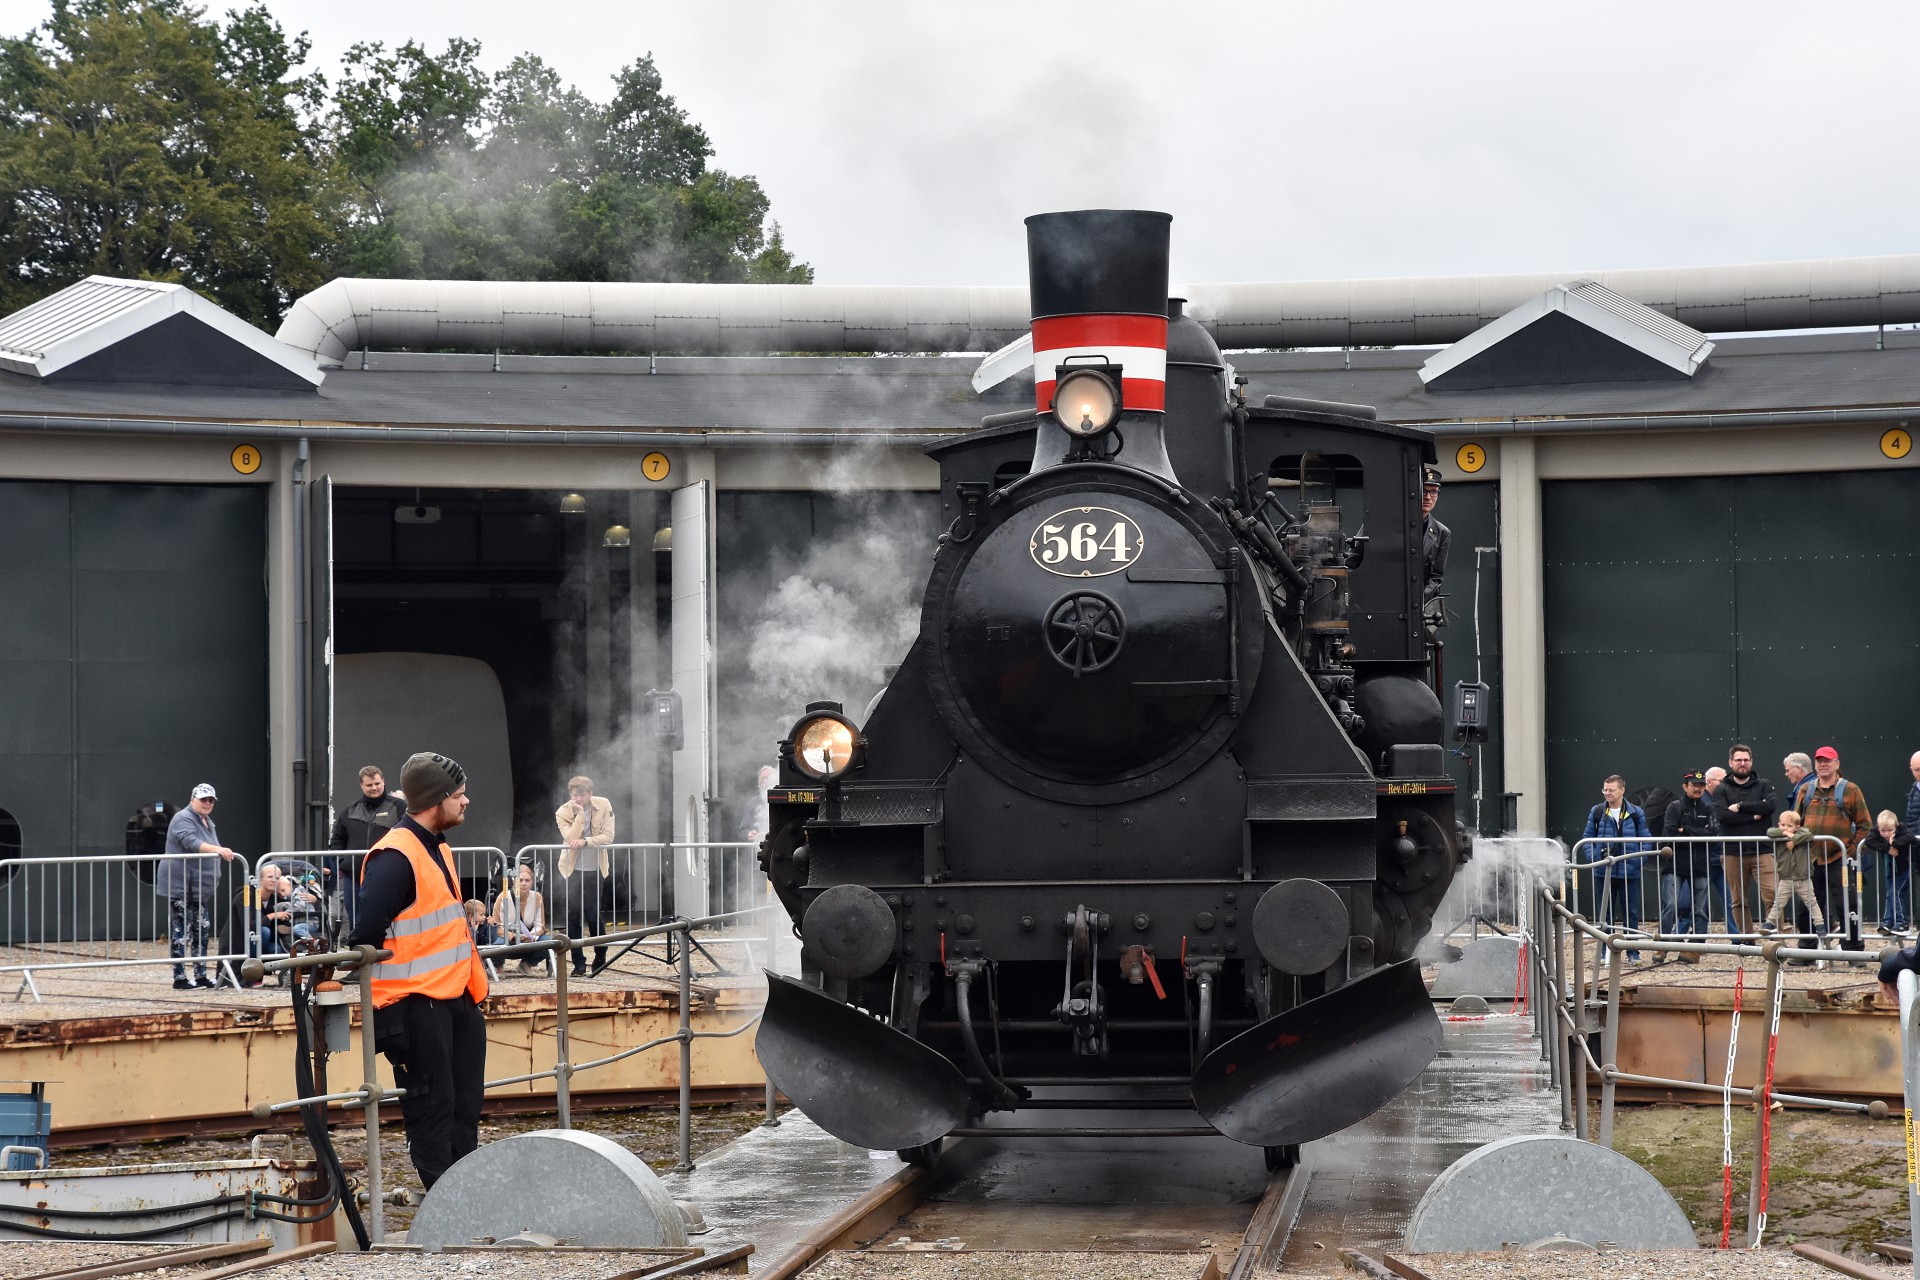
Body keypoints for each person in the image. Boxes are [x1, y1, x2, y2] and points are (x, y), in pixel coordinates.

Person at [346, 752, 489, 1192]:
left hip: (455, 997)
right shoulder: (395, 856)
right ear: (435, 799)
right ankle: (444, 1203)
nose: (466, 801)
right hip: (416, 1006)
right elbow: (365, 934)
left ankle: (465, 1198)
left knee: (464, 1106)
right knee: (433, 1110)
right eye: (459, 795)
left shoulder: (437, 846)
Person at [159, 784, 237, 990]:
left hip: (197, 888)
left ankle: (201, 975)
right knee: (181, 931)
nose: (207, 803)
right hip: (181, 885)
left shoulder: (207, 821)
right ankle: (180, 978)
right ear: (192, 799)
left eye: (211, 800)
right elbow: (190, 842)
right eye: (203, 799)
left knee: (201, 930)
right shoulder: (183, 818)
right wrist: (219, 850)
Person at [1796, 746, 1871, 946]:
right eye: (1819, 761)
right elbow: (1796, 823)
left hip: (1841, 860)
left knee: (1848, 906)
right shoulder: (1806, 790)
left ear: (1837, 764)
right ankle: (1807, 951)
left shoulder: (1851, 790)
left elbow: (1865, 826)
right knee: (1806, 907)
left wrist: (1850, 852)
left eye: (1827, 761)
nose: (1823, 764)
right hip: (1811, 859)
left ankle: (1852, 949)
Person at [1581, 775, 1653, 961]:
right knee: (1605, 914)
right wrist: (1596, 858)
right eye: (1605, 790)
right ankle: (1605, 953)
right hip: (1603, 872)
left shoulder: (1635, 812)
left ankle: (1633, 952)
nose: (1607, 793)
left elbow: (1646, 839)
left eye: (1611, 790)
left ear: (1622, 790)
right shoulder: (1597, 811)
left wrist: (1637, 861)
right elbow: (1587, 838)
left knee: (1631, 914)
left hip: (1630, 873)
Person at [328, 766, 407, 929]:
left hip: (388, 876)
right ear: (361, 786)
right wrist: (344, 863)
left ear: (383, 781)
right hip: (354, 878)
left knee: (388, 923)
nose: (374, 788)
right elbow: (336, 840)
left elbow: (410, 836)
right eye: (369, 785)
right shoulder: (349, 811)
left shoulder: (399, 807)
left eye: (377, 783)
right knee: (356, 923)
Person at [1713, 745, 1777, 936]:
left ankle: (1776, 939)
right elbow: (1722, 816)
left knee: (1773, 895)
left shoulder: (1764, 785)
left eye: (1746, 760)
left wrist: (1740, 806)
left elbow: (1770, 806)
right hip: (1733, 852)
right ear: (1730, 762)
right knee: (1738, 900)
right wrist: (1753, 815)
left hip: (1762, 850)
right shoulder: (1722, 789)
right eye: (1738, 760)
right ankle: (1746, 939)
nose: (1742, 763)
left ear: (1751, 762)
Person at [555, 775, 615, 977]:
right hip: (571, 870)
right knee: (573, 916)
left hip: (595, 869)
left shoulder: (604, 805)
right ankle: (578, 962)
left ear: (590, 793)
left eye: (581, 795)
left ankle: (600, 955)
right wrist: (580, 815)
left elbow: (608, 836)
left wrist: (586, 842)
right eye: (574, 795)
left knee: (593, 915)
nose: (578, 799)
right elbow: (570, 838)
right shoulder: (563, 812)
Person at [1758, 811, 1830, 965]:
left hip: (1803, 878)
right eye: (1782, 825)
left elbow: (1808, 835)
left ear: (1797, 826)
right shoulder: (1779, 835)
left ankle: (1820, 925)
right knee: (1779, 902)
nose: (1785, 828)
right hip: (1786, 878)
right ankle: (1769, 923)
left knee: (1812, 903)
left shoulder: (1802, 834)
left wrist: (1794, 839)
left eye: (1789, 826)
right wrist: (1786, 833)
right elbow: (1770, 832)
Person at [1660, 770, 1717, 961]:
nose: (1698, 789)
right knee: (1670, 905)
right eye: (1694, 785)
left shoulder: (1708, 808)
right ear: (1685, 787)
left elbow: (1714, 833)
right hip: (1675, 864)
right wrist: (1699, 833)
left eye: (1701, 785)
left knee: (1700, 909)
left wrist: (1686, 830)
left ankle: (1696, 947)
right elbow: (1670, 834)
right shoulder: (1674, 807)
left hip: (1700, 865)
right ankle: (1662, 945)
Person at [1866, 810, 1920, 937]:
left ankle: (1902, 922)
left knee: (1896, 892)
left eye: (1890, 830)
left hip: (1904, 869)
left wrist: (1895, 843)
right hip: (1890, 869)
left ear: (1896, 827)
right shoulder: (1876, 833)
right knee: (1890, 893)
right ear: (1878, 829)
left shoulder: (1902, 830)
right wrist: (1888, 848)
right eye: (1883, 831)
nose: (1886, 834)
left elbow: (1910, 837)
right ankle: (1888, 920)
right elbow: (1869, 840)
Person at [492, 863, 551, 975]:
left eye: (527, 880)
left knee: (549, 941)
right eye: (520, 880)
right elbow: (497, 927)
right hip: (507, 938)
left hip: (528, 938)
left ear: (532, 882)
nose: (523, 884)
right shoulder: (503, 897)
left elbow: (540, 925)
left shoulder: (537, 897)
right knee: (497, 943)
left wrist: (532, 936)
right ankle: (498, 966)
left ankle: (527, 964)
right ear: (514, 881)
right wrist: (514, 936)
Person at [256, 862, 320, 956]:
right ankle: (292, 930)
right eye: (279, 894)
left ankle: (312, 944)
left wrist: (314, 899)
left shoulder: (299, 893)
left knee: (297, 928)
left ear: (290, 885)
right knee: (292, 929)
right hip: (296, 922)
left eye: (283, 890)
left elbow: (299, 906)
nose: (282, 895)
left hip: (310, 922)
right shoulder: (277, 898)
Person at [1419, 465, 1450, 623]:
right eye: (1424, 491)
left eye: (1433, 492)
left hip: (1421, 606)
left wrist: (1418, 600)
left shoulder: (1442, 532)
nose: (1428, 497)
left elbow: (1436, 577)